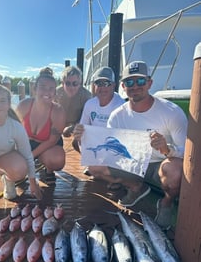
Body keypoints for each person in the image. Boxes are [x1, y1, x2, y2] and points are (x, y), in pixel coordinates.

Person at [74, 61, 188, 230]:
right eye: (129, 82)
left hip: (160, 164)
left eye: (140, 81)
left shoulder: (171, 111)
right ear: (122, 86)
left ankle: (166, 202)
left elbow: (187, 152)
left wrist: (167, 149)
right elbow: (108, 147)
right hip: (133, 162)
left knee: (175, 170)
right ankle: (135, 187)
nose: (135, 86)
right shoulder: (117, 115)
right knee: (94, 167)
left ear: (149, 83)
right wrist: (84, 137)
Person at [15, 67, 66, 185]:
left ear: (55, 92)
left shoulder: (58, 111)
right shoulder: (24, 105)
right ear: (34, 89)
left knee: (57, 160)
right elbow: (14, 132)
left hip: (48, 145)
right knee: (15, 169)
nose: (47, 92)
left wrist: (30, 157)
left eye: (51, 89)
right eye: (42, 87)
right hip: (26, 143)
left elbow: (52, 141)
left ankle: (48, 169)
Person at [73, 66, 125, 175]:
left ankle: (106, 172)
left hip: (114, 145)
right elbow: (83, 126)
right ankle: (92, 163)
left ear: (114, 85)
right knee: (76, 140)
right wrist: (78, 131)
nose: (102, 88)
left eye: (106, 83)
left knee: (96, 170)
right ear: (94, 86)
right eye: (99, 84)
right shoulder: (90, 104)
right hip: (97, 143)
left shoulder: (121, 105)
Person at [55, 65, 92, 137]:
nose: (71, 87)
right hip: (58, 125)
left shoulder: (86, 96)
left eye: (75, 83)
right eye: (68, 83)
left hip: (77, 126)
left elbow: (87, 119)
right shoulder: (55, 93)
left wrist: (73, 127)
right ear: (62, 83)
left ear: (80, 84)